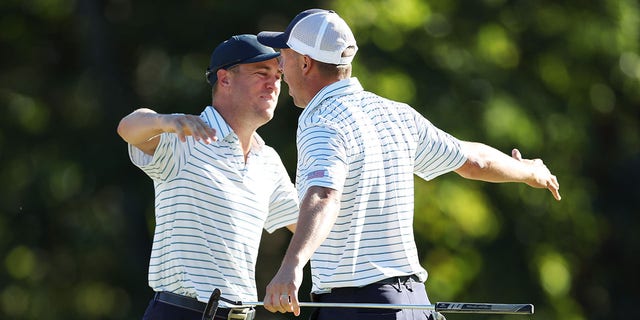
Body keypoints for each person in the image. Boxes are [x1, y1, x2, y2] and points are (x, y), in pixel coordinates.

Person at [255, 9, 562, 320]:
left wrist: (291, 266)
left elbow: (324, 195)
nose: (280, 67)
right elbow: (474, 161)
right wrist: (529, 171)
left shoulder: (321, 122)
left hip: (358, 308)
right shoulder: (397, 114)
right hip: (414, 305)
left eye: (285, 56)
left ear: (306, 63)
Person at [117, 34, 299, 320]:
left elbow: (306, 225)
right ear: (225, 79)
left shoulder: (268, 160)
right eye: (261, 74)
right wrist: (165, 121)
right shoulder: (185, 136)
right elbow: (128, 126)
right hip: (180, 312)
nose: (273, 84)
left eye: (277, 76)